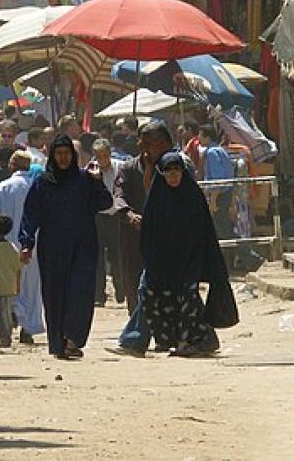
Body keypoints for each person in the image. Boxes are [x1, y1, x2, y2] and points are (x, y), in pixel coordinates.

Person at [20, 135, 112, 359]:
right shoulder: (43, 181)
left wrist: (98, 181)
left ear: (73, 155)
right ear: (53, 155)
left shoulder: (84, 180)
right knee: (54, 293)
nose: (63, 158)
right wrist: (26, 242)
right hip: (52, 246)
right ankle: (59, 342)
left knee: (80, 291)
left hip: (83, 245)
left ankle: (73, 339)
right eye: (59, 153)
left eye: (67, 153)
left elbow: (105, 203)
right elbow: (31, 214)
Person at [140, 152, 238, 356]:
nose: (173, 176)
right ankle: (176, 339)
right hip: (164, 261)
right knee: (156, 296)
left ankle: (188, 340)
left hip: (191, 258)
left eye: (176, 171)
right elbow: (148, 232)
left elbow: (204, 231)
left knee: (188, 296)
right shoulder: (157, 198)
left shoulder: (192, 195)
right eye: (169, 172)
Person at [110, 120, 189, 356]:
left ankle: (144, 337)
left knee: (159, 287)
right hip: (134, 238)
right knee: (135, 285)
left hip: (167, 239)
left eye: (155, 143)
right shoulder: (128, 168)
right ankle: (140, 336)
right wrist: (130, 215)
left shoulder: (176, 167)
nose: (150, 148)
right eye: (145, 143)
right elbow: (119, 196)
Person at [0, 150, 44, 344]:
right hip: (34, 243)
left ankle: (12, 318)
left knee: (8, 284)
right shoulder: (36, 187)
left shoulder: (4, 187)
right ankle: (28, 327)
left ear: (11, 166)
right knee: (31, 285)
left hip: (8, 243)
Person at [92, 138, 123, 306]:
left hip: (115, 216)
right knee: (97, 258)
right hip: (98, 217)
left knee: (116, 255)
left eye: (105, 155)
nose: (102, 159)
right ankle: (99, 295)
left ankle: (121, 289)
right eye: (99, 156)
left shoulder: (120, 167)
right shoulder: (90, 170)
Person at [0, 215, 21, 348]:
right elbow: (18, 267)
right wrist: (18, 284)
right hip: (10, 285)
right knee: (4, 311)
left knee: (0, 313)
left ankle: (5, 338)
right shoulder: (12, 247)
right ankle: (9, 326)